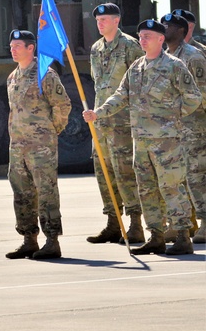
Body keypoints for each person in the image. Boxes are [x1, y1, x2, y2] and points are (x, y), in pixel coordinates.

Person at [83, 19, 202, 255]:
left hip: (166, 142)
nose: (143, 39)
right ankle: (156, 235)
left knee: (171, 187)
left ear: (160, 39)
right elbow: (120, 96)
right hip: (141, 142)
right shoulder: (136, 68)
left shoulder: (174, 66)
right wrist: (98, 113)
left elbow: (193, 97)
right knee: (147, 190)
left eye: (148, 35)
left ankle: (181, 236)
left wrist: (172, 118)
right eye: (141, 36)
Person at [4, 30, 72, 260]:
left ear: (31, 48)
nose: (12, 49)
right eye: (11, 45)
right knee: (22, 193)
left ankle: (52, 241)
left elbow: (63, 105)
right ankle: (28, 239)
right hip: (18, 147)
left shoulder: (45, 74)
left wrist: (51, 131)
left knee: (46, 192)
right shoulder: (12, 77)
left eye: (17, 45)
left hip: (41, 147)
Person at [85, 3, 146, 244]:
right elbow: (96, 82)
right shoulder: (95, 48)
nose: (100, 23)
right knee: (104, 173)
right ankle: (113, 223)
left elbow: (140, 82)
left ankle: (135, 225)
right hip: (100, 121)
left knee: (125, 173)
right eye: (98, 20)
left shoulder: (131, 46)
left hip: (123, 121)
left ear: (117, 21)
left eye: (105, 19)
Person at [161, 12, 206, 244]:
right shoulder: (164, 56)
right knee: (176, 178)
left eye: (167, 26)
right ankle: (182, 224)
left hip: (193, 126)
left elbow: (202, 94)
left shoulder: (192, 56)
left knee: (196, 176)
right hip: (172, 129)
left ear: (181, 30)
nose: (163, 28)